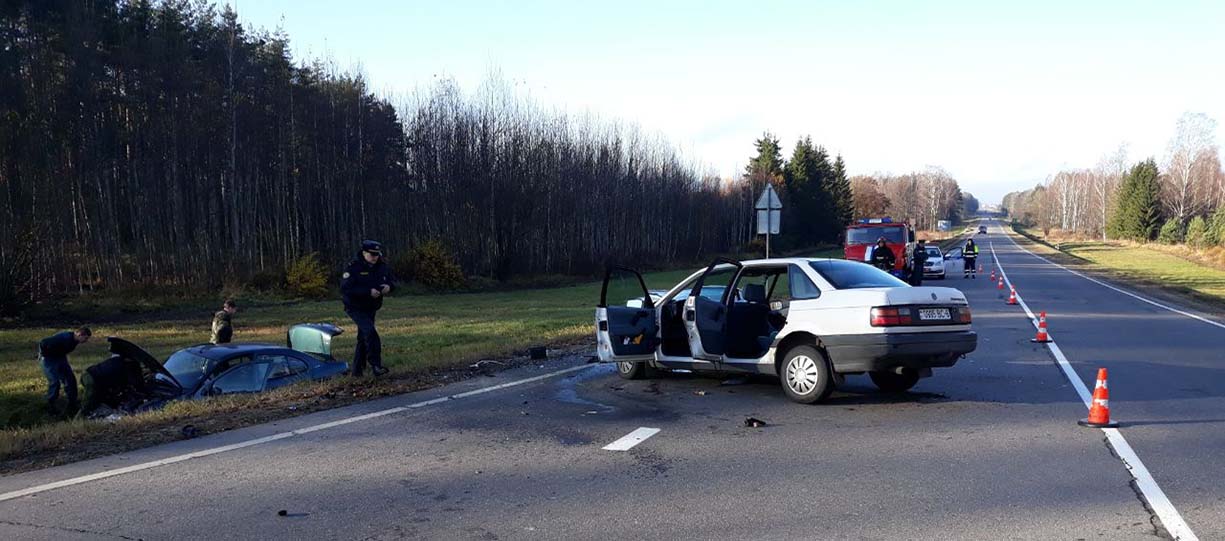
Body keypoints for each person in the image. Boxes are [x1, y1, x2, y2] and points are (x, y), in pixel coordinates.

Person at [340, 240, 395, 377]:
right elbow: (346, 288)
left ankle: (357, 371)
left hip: (371, 306)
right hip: (355, 306)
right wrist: (367, 291)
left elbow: (391, 281)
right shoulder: (354, 267)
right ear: (364, 253)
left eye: (377, 254)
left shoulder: (381, 266)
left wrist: (389, 287)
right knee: (370, 332)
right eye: (372, 255)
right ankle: (376, 365)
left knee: (363, 337)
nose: (375, 257)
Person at [39, 327, 91, 416]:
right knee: (54, 382)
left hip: (60, 357)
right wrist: (45, 355)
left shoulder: (75, 340)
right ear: (79, 334)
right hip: (49, 359)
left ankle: (72, 403)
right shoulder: (65, 338)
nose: (86, 341)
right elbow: (43, 342)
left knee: (70, 379)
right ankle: (50, 405)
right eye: (85, 338)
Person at [80, 355, 147, 418]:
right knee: (87, 403)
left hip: (88, 374)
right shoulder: (129, 366)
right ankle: (78, 418)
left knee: (94, 400)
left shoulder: (117, 360)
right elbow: (135, 383)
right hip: (91, 379)